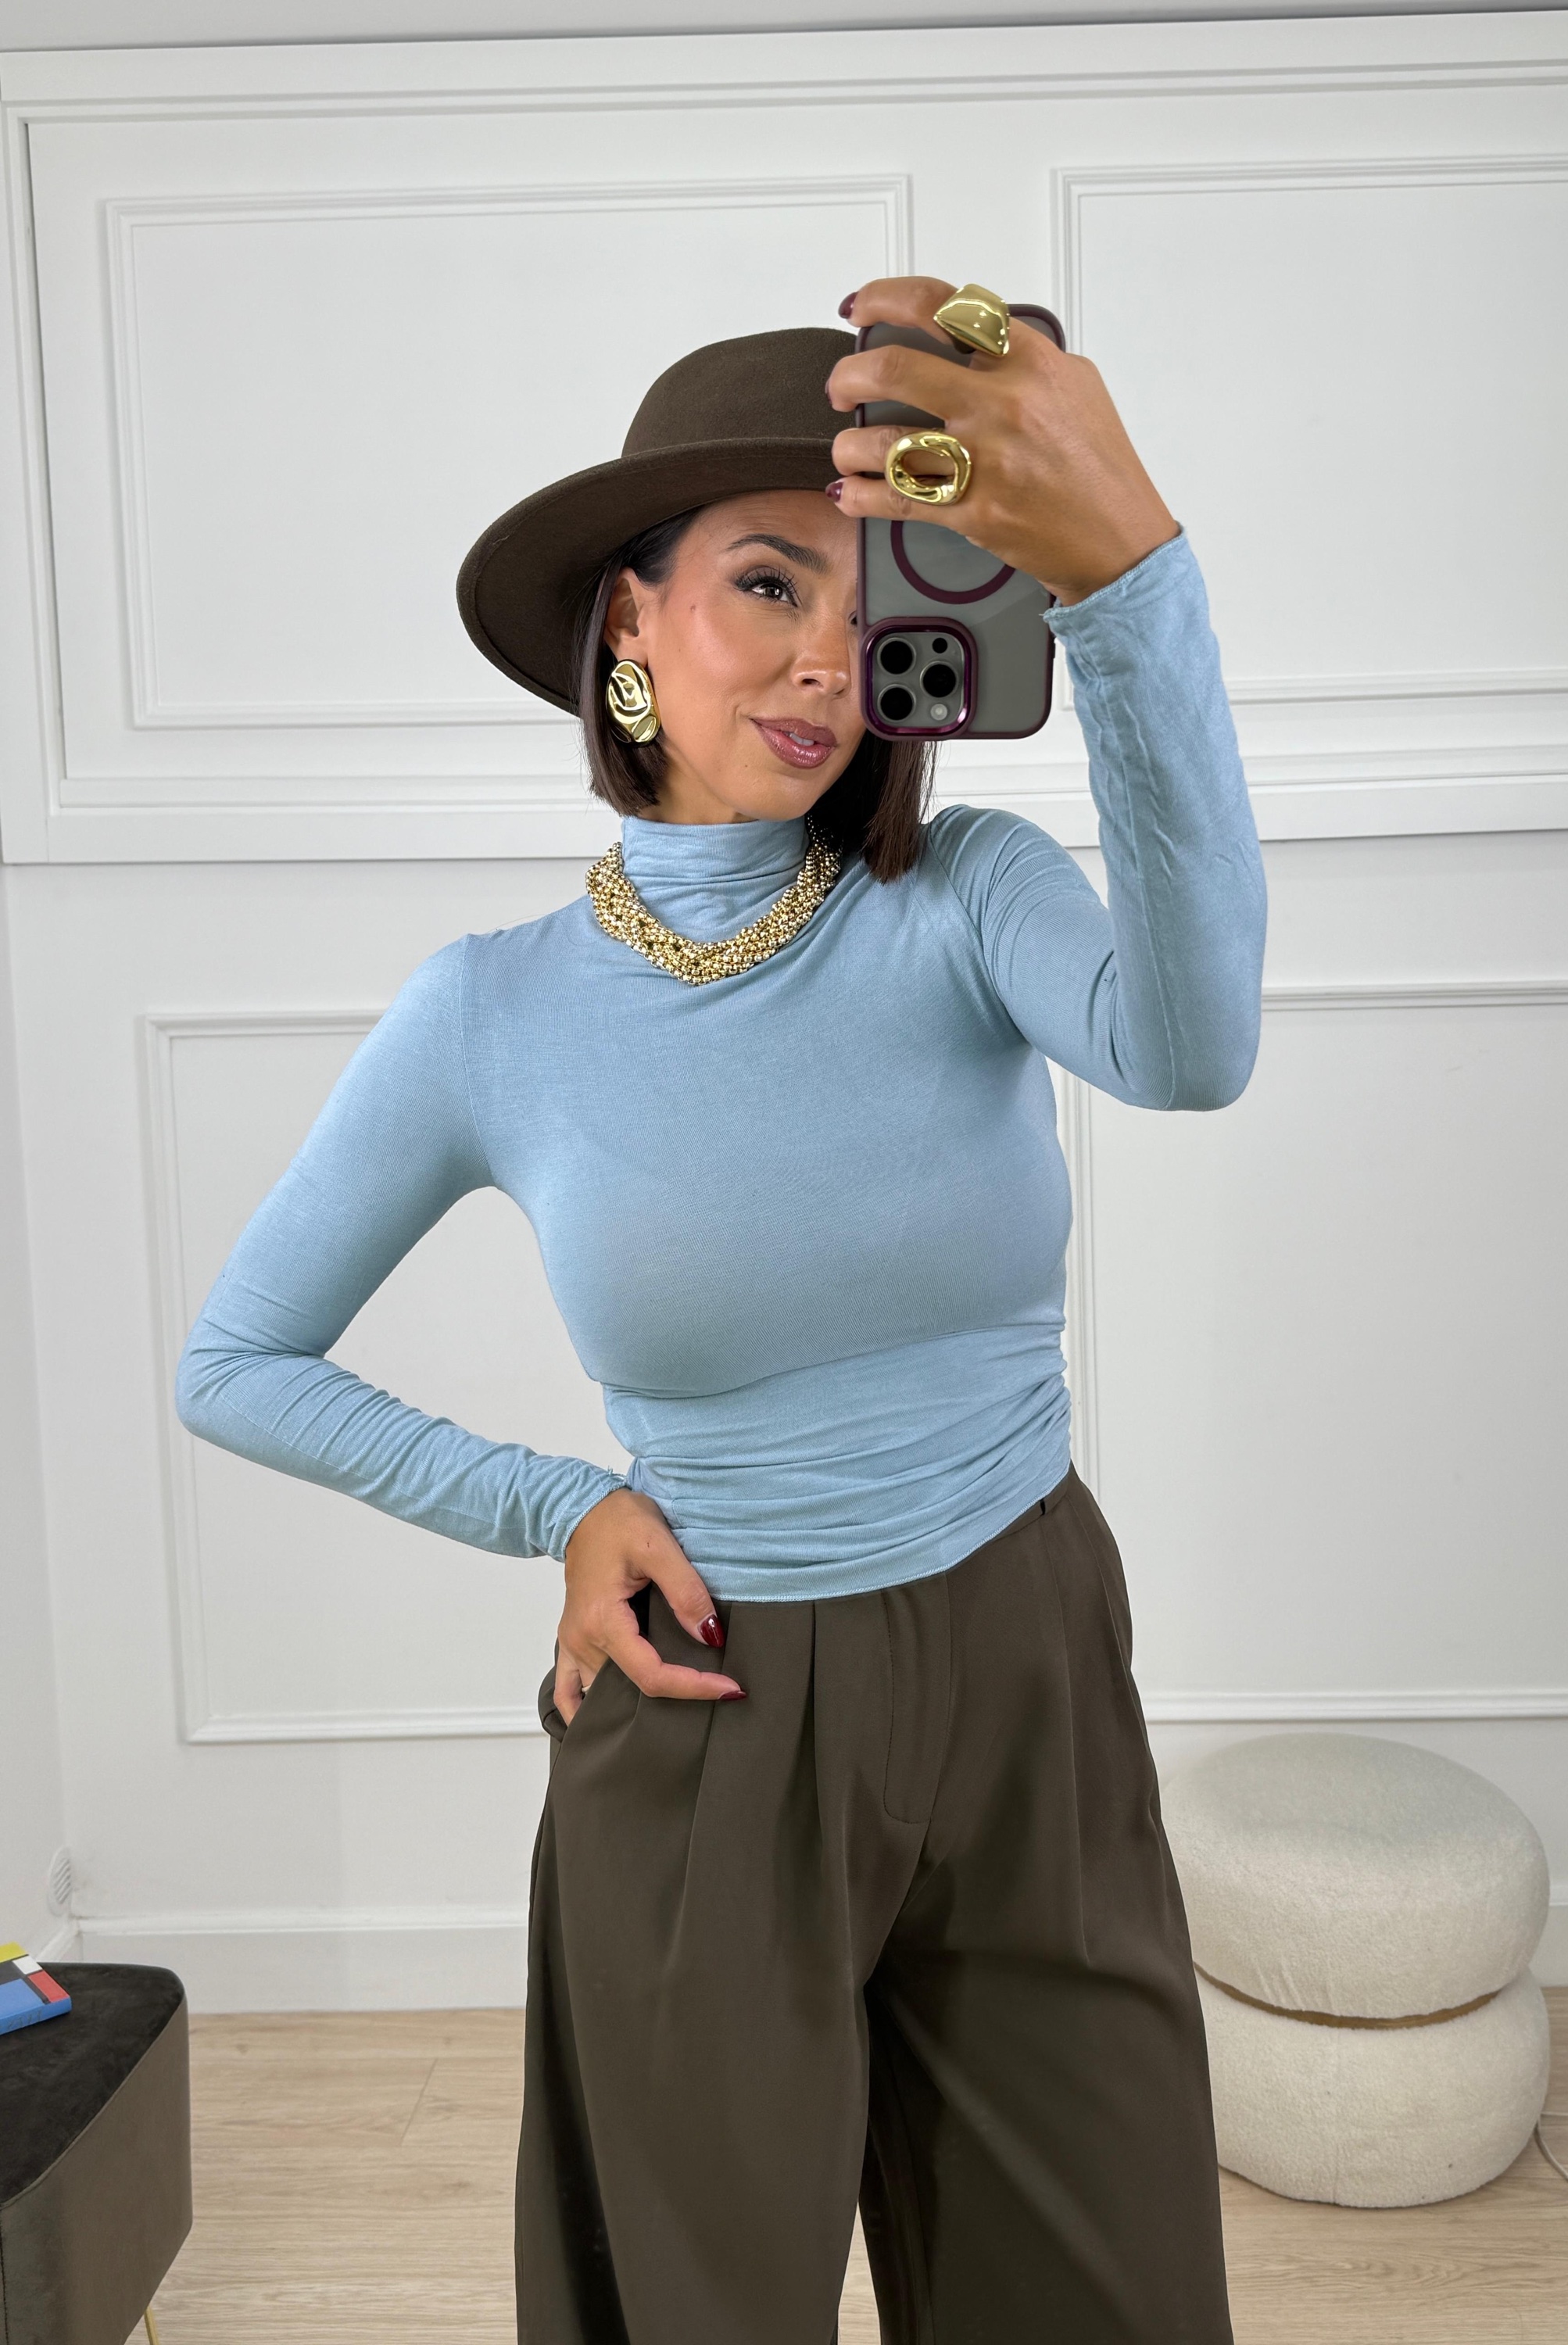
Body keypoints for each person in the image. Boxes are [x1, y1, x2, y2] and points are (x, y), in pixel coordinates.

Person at [177, 276, 1268, 2345]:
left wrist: (1132, 593)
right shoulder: (488, 1012)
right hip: (712, 1704)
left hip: (1029, 1660)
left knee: (1103, 2293)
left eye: (877, 596)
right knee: (693, 2308)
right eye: (770, 581)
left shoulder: (972, 898)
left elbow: (1194, 1049)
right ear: (631, 618)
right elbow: (235, 1363)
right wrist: (557, 1508)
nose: (826, 655)